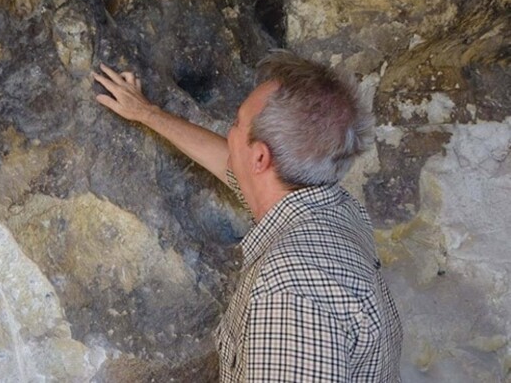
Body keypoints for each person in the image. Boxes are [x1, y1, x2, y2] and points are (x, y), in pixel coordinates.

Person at [92, 50, 402, 382]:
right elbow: (232, 164)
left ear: (260, 158)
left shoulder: (289, 296)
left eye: (238, 123)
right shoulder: (332, 206)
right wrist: (147, 113)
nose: (231, 131)